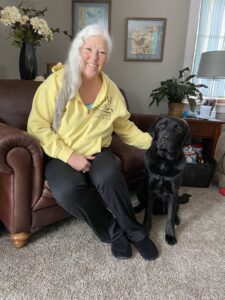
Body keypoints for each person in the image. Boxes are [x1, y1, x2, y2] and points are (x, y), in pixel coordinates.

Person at [27, 24, 158, 260]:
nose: (94, 58)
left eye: (101, 52)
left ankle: (134, 230)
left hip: (98, 150)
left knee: (109, 176)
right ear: (78, 49)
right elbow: (36, 126)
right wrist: (69, 156)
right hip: (61, 154)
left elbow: (124, 127)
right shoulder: (56, 84)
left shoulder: (111, 91)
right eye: (89, 49)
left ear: (106, 57)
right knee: (67, 191)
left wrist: (154, 144)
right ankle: (114, 232)